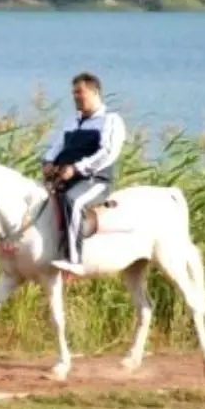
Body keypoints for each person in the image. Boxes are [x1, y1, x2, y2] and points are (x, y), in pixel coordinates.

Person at [41, 72, 127, 276]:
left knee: (73, 200)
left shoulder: (110, 120)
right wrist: (48, 162)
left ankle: (74, 259)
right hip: (64, 176)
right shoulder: (72, 121)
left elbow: (107, 153)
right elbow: (57, 145)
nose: (76, 97)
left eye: (80, 92)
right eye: (74, 93)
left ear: (95, 92)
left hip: (95, 180)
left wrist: (77, 168)